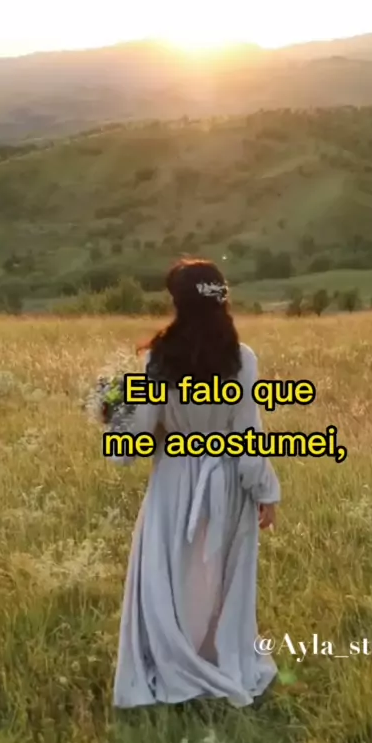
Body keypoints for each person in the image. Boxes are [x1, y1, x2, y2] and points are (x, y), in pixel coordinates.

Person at [106, 257, 281, 709]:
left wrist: (112, 416)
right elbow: (248, 435)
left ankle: (172, 660)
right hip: (226, 478)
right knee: (220, 575)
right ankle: (215, 657)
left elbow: (135, 438)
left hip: (173, 480)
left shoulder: (158, 359)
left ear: (178, 303)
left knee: (168, 574)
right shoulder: (242, 359)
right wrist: (265, 491)